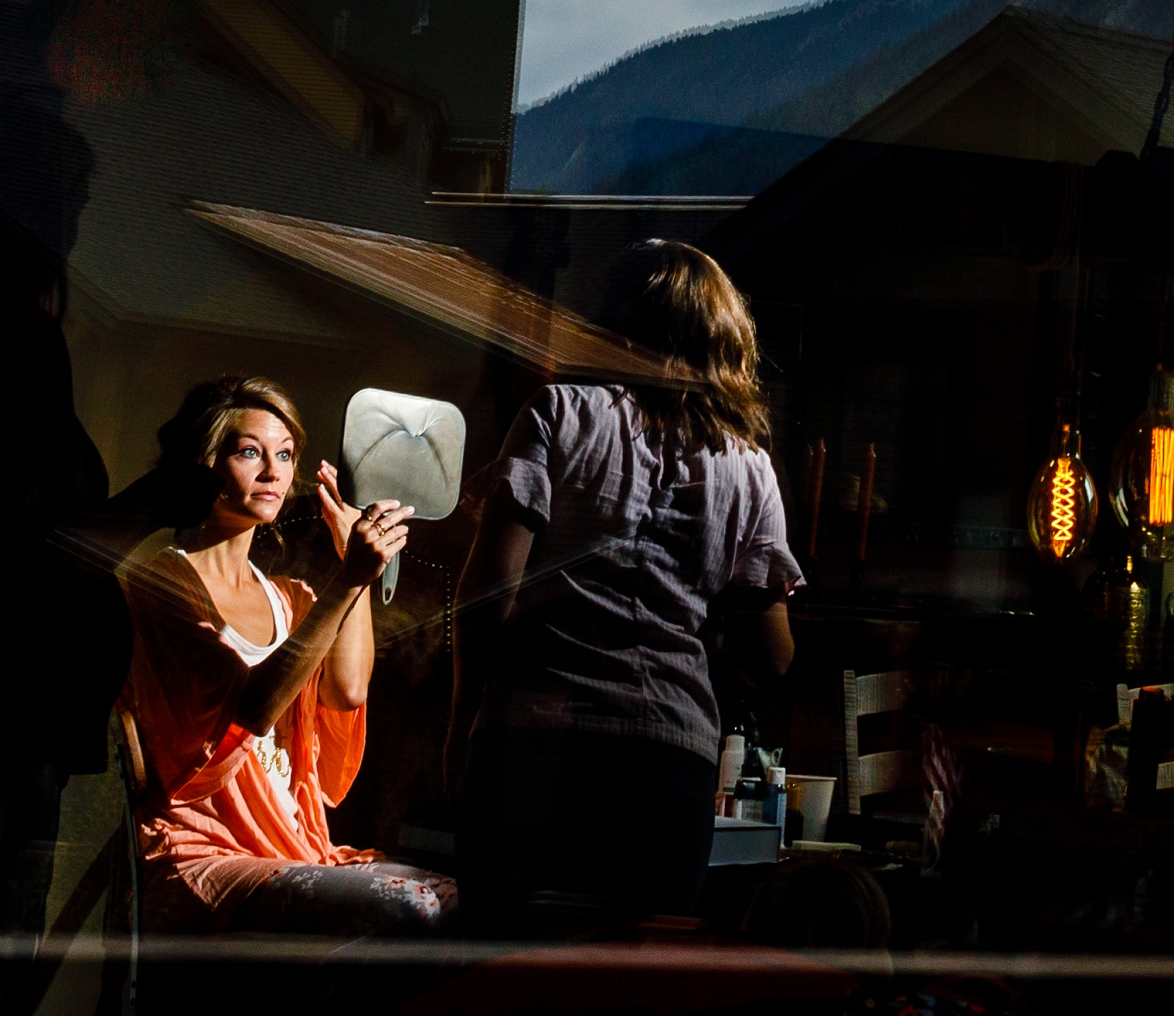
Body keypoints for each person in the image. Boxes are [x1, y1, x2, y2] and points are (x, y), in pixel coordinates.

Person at [456, 241, 800, 936]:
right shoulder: (751, 466)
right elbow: (769, 660)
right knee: (627, 988)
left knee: (503, 977)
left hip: (536, 742)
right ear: (724, 338)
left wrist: (461, 728)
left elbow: (488, 596)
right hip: (668, 760)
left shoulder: (557, 412)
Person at [118, 376, 457, 934]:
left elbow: (347, 692)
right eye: (250, 452)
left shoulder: (293, 598)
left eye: (285, 454)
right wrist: (348, 580)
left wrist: (355, 565)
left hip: (289, 841)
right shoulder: (161, 585)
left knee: (459, 903)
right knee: (413, 908)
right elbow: (251, 709)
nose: (275, 472)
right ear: (204, 462)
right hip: (202, 850)